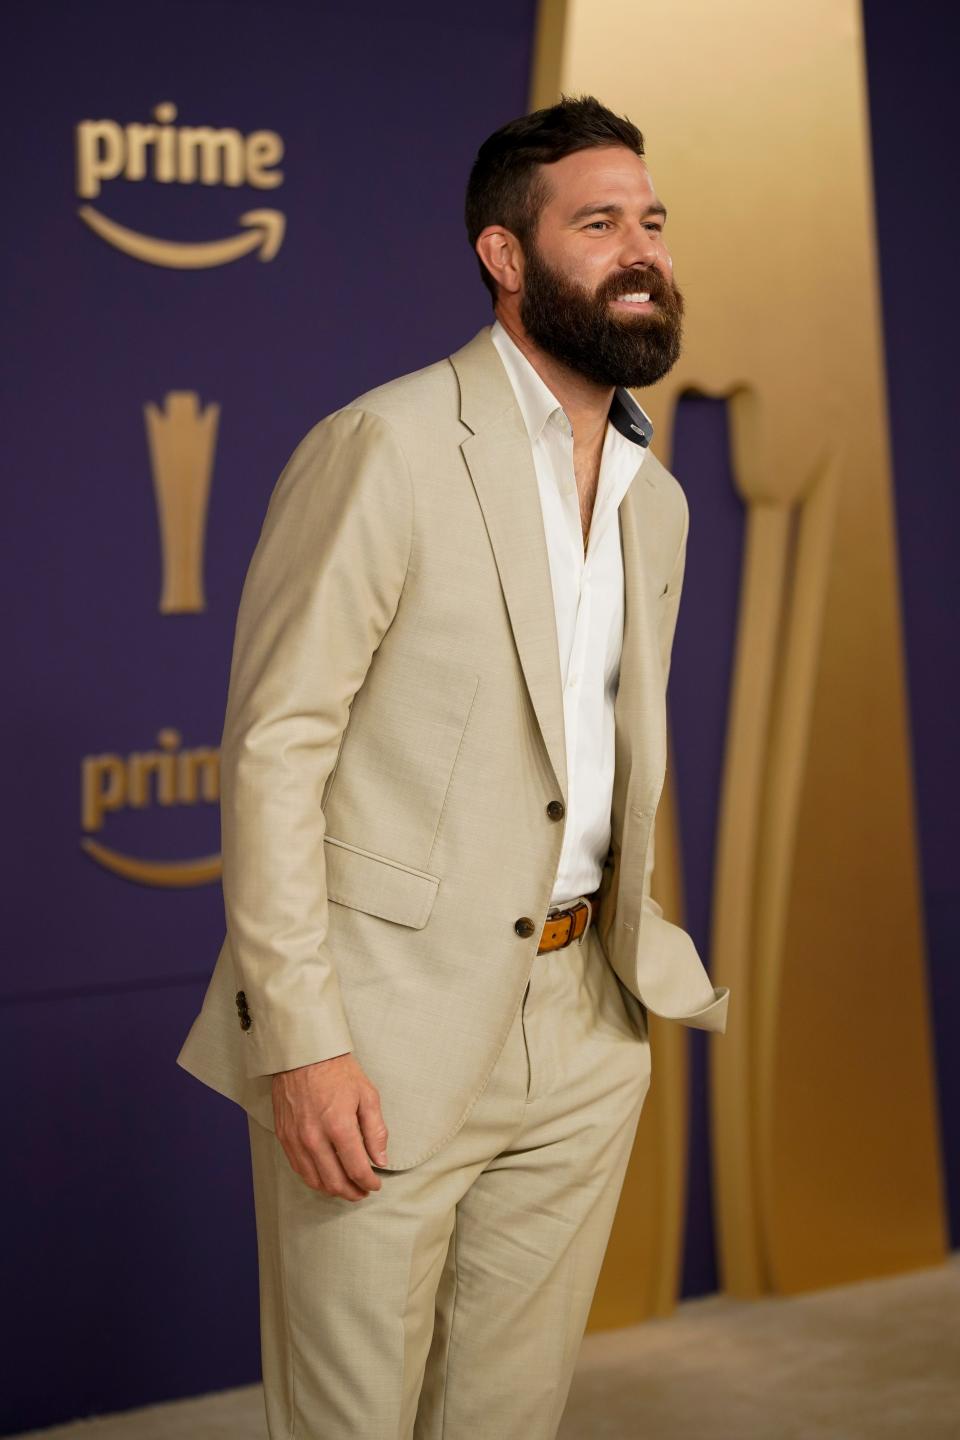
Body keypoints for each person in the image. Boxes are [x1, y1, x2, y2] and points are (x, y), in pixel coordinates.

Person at [178, 93, 728, 1440]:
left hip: (587, 1026)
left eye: (650, 221)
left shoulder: (658, 501)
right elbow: (273, 754)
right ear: (505, 255)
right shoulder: (387, 446)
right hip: (385, 1031)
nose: (639, 250)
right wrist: (302, 1042)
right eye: (597, 224)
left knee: (506, 1420)